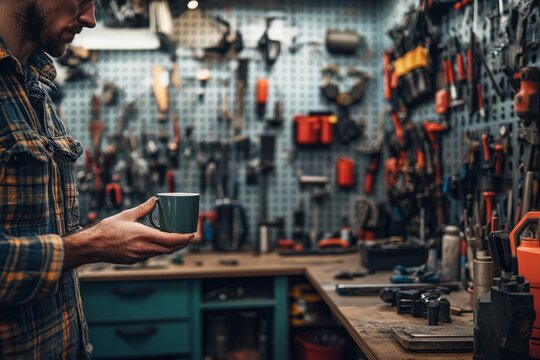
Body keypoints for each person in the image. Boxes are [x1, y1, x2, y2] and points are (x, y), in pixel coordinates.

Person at [0, 1, 193, 358]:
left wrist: (93, 239)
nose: (91, 19)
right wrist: (91, 245)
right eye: (83, 0)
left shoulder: (35, 88)